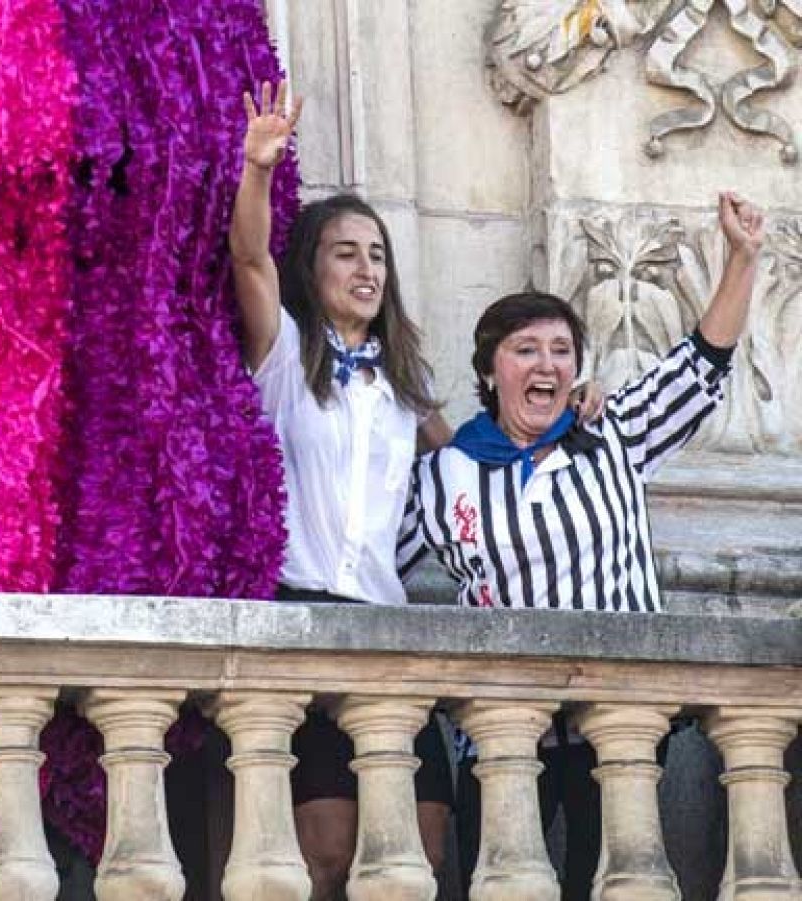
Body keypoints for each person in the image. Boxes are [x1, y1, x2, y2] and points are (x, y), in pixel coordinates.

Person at [400, 192, 764, 899]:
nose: (547, 364)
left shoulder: (615, 434)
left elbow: (703, 363)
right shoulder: (443, 475)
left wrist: (742, 259)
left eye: (562, 351)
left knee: (614, 885)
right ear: (489, 370)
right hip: (501, 733)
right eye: (526, 349)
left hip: (619, 724)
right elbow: (367, 563)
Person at [230, 79, 454, 898]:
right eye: (345, 252)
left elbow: (479, 468)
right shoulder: (288, 358)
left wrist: (573, 410)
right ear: (313, 266)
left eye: (378, 254)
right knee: (323, 857)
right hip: (302, 614)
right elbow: (248, 258)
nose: (366, 269)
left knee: (421, 854)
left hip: (389, 622)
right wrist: (259, 168)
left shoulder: (407, 383)